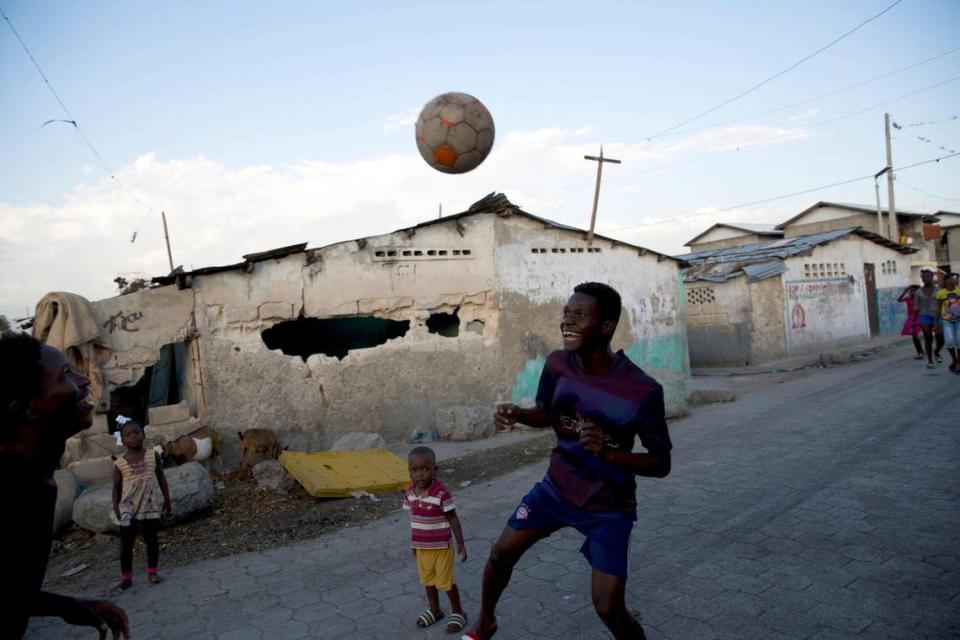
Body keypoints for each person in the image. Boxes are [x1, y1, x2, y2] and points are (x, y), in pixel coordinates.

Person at [463, 283, 672, 640]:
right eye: (565, 313)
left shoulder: (642, 390)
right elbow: (547, 412)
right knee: (501, 554)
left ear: (606, 326)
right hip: (555, 491)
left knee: (608, 607)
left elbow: (661, 463)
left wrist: (609, 454)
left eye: (579, 315)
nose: (566, 323)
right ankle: (486, 621)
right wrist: (520, 415)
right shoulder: (557, 364)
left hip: (609, 507)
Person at [0, 331, 130, 639]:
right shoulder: (12, 487)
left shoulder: (32, 475)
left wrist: (67, 606)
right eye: (65, 374)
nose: (83, 380)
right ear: (26, 410)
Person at [403, 446, 468, 633]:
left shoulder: (441, 494)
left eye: (425, 469)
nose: (420, 474)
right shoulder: (409, 494)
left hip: (441, 547)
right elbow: (414, 520)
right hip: (422, 548)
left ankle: (458, 611)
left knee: (445, 582)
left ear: (435, 470)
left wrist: (461, 544)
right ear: (409, 471)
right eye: (414, 470)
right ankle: (435, 610)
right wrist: (413, 543)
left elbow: (453, 518)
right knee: (428, 581)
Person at [111, 416, 171, 593]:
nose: (133, 437)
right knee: (126, 545)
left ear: (143, 434)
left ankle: (152, 572)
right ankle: (126, 578)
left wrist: (167, 499)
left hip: (149, 504)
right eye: (128, 435)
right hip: (127, 507)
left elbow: (161, 478)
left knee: (151, 539)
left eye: (136, 432)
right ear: (122, 440)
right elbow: (116, 487)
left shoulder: (153, 455)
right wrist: (117, 509)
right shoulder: (120, 463)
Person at [914, 269, 942, 369]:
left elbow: (942, 305)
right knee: (928, 338)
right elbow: (916, 307)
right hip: (924, 316)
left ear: (932, 277)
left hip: (937, 316)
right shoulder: (918, 292)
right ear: (921, 278)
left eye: (927, 276)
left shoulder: (938, 290)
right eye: (923, 277)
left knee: (940, 338)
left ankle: (937, 351)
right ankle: (930, 361)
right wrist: (913, 321)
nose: (925, 278)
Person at [936, 272, 960, 374]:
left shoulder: (959, 290)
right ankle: (954, 359)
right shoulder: (940, 293)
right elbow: (938, 308)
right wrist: (936, 323)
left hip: (959, 320)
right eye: (954, 278)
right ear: (947, 280)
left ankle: (958, 364)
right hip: (947, 321)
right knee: (950, 342)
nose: (956, 280)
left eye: (957, 278)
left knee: (959, 342)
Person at [897, 285, 924, 359]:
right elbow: (899, 300)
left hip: (919, 318)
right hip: (911, 319)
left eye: (913, 290)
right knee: (914, 336)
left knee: (917, 336)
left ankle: (921, 352)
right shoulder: (908, 298)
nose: (911, 292)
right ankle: (920, 352)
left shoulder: (919, 299)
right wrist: (904, 291)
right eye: (910, 290)